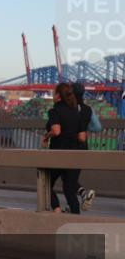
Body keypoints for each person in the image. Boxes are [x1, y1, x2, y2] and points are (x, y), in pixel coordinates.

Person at [43, 83, 84, 214]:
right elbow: (82, 137)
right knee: (69, 190)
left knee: (46, 184)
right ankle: (76, 220)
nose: (52, 96)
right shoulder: (77, 112)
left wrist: (46, 136)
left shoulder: (54, 111)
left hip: (58, 154)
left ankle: (56, 209)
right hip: (75, 155)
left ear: (58, 96)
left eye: (54, 93)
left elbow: (56, 131)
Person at [72, 82, 98, 211]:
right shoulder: (89, 109)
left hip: (69, 146)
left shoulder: (68, 107)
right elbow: (97, 127)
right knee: (72, 177)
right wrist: (85, 126)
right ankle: (77, 201)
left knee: (67, 178)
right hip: (83, 147)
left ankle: (79, 200)